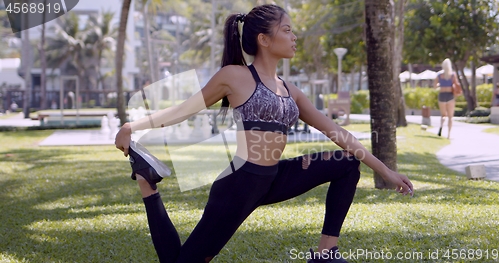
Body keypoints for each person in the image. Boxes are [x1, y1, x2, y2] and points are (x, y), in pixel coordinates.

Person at [115, 4, 414, 263]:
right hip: (240, 184)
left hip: (274, 178)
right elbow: (183, 109)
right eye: (286, 30)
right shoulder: (234, 76)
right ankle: (148, 185)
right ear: (264, 39)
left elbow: (337, 132)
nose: (294, 36)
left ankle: (326, 252)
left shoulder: (290, 90)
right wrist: (132, 126)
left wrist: (386, 171)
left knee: (347, 163)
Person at [433, 58, 460, 139]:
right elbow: (456, 84)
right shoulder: (452, 75)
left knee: (443, 115)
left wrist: (440, 85)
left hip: (442, 95)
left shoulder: (439, 75)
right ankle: (449, 134)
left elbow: (434, 87)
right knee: (450, 117)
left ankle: (441, 126)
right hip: (450, 95)